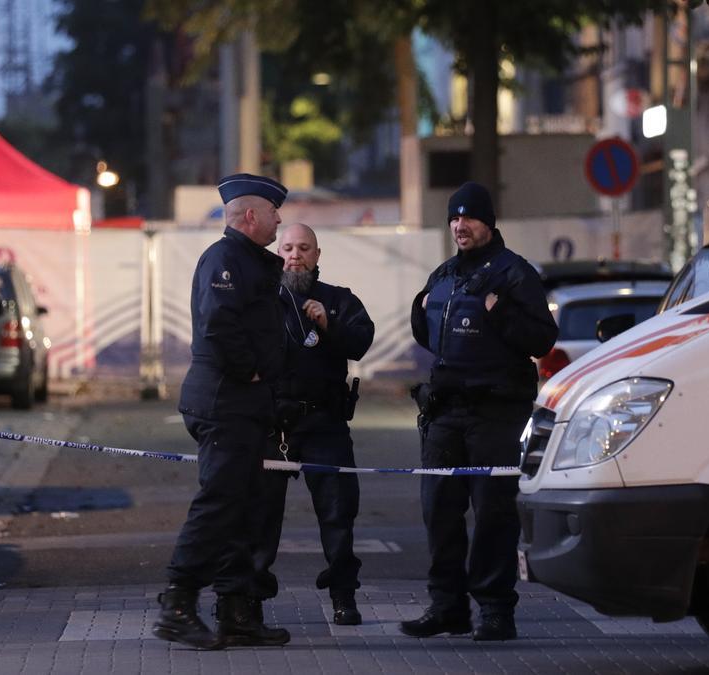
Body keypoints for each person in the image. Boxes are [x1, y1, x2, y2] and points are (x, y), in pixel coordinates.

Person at [401, 181, 558, 641]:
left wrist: (501, 312)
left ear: (488, 222)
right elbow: (429, 332)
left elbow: (542, 339)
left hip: (495, 413)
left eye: (468, 218)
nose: (459, 225)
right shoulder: (445, 273)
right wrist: (419, 308)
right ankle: (447, 607)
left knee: (493, 515)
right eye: (454, 218)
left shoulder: (514, 274)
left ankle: (495, 611)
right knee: (439, 513)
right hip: (446, 413)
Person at [153, 173, 291, 650]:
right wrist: (249, 370)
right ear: (250, 215)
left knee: (243, 508)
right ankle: (178, 603)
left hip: (243, 406)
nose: (280, 219)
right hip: (226, 402)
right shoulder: (226, 258)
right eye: (274, 211)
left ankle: (237, 612)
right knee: (218, 506)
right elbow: (219, 323)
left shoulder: (248, 259)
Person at [251, 223, 375, 627]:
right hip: (273, 425)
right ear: (277, 252)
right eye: (287, 247)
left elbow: (361, 340)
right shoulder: (262, 300)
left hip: (325, 422)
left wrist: (328, 326)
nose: (295, 255)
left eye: (304, 248)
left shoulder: (338, 300)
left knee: (338, 514)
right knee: (260, 518)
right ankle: (249, 600)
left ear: (317, 255)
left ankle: (344, 596)